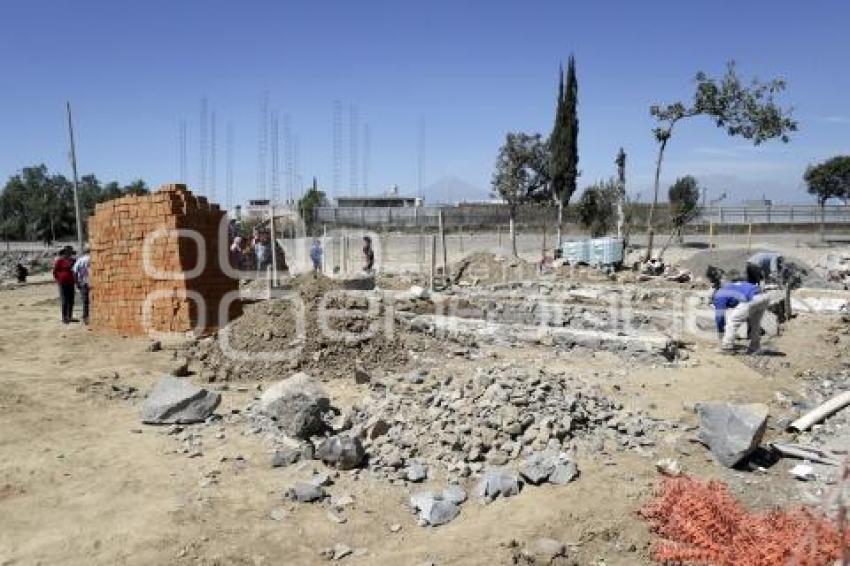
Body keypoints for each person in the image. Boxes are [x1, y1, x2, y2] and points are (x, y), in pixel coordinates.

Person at [712, 279, 770, 354]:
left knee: (732, 321)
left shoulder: (719, 296)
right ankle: (755, 347)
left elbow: (719, 317)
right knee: (755, 323)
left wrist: (721, 331)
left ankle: (727, 347)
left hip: (752, 297)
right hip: (764, 296)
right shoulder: (729, 288)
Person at [53, 246, 76, 324]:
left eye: (70, 251)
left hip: (71, 282)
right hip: (63, 282)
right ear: (65, 252)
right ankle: (64, 317)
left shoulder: (73, 260)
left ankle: (70, 316)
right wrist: (58, 280)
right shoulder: (59, 261)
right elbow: (55, 271)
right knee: (65, 300)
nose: (69, 253)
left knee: (71, 300)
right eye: (68, 251)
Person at [72, 245, 91, 325]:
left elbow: (75, 272)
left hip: (83, 282)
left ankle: (85, 317)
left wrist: (76, 283)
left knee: (85, 301)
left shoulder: (80, 260)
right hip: (92, 282)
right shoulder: (93, 259)